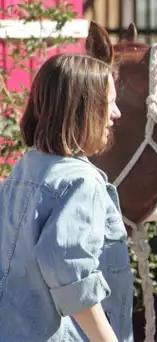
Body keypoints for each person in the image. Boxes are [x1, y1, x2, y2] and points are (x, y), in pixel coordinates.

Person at [0, 53, 133, 342]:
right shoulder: (81, 181)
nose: (117, 113)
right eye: (109, 103)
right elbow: (73, 277)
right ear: (82, 108)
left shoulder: (25, 169)